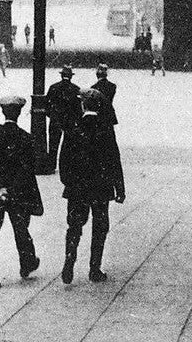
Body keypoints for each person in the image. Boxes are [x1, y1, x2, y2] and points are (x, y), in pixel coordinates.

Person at [0, 95, 43, 288]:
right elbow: (27, 169)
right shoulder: (26, 138)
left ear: (3, 113)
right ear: (19, 113)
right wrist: (11, 189)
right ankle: (27, 263)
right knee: (21, 229)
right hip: (17, 194)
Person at [59, 89, 125, 283]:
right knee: (100, 226)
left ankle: (69, 263)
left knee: (74, 226)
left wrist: (69, 183)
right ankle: (94, 269)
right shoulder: (106, 130)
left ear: (83, 105)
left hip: (77, 188)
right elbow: (115, 161)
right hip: (101, 188)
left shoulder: (73, 130)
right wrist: (119, 189)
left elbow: (63, 163)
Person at [45, 65, 82, 170]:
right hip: (69, 120)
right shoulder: (76, 89)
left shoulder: (53, 87)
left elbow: (47, 104)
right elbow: (78, 108)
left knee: (53, 144)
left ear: (61, 76)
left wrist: (52, 115)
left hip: (55, 119)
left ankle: (52, 165)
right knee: (68, 145)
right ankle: (66, 166)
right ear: (71, 76)